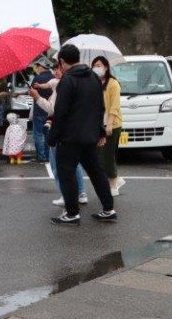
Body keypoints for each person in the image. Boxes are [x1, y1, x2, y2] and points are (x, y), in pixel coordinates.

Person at [47, 44, 116, 226]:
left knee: (66, 174)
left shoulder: (67, 81)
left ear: (62, 61)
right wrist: (100, 131)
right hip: (90, 136)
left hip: (70, 138)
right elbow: (100, 107)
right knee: (96, 172)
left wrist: (52, 137)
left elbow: (61, 112)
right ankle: (108, 209)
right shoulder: (93, 77)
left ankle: (72, 214)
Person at [30, 62, 88, 207]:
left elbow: (53, 109)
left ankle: (66, 195)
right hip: (74, 130)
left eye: (59, 68)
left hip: (60, 131)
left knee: (57, 165)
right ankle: (81, 192)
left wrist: (37, 97)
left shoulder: (63, 86)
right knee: (74, 163)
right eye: (55, 68)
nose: (56, 71)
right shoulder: (76, 83)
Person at [92, 56, 125, 197]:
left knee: (108, 156)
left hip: (111, 125)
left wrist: (110, 124)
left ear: (106, 67)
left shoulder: (113, 84)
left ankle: (113, 184)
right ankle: (115, 179)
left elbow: (114, 107)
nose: (96, 68)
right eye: (94, 65)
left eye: (99, 65)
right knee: (99, 157)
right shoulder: (94, 83)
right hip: (98, 125)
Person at [29, 58, 53, 163]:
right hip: (50, 111)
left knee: (38, 134)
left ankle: (41, 157)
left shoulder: (37, 78)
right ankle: (48, 156)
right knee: (48, 134)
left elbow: (32, 92)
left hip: (39, 110)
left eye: (37, 66)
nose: (36, 68)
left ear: (41, 66)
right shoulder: (53, 78)